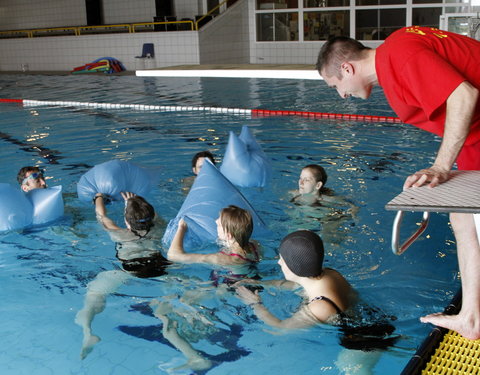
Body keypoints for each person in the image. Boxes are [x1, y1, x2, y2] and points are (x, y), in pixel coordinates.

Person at [316, 26, 480, 339]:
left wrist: (441, 165)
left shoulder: (399, 54)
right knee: (462, 214)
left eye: (335, 84)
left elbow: (463, 94)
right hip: (475, 137)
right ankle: (471, 317)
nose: (341, 95)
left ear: (347, 68)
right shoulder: (396, 54)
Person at [236, 230, 396, 373]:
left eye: (282, 260)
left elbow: (280, 328)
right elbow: (294, 286)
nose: (278, 262)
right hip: (377, 320)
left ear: (294, 268)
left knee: (347, 366)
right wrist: (259, 284)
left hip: (366, 340)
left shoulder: (321, 306)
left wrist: (255, 304)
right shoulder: (329, 274)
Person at [75, 191, 170, 359]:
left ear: (127, 222)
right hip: (162, 268)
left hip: (130, 271)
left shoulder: (119, 233)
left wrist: (98, 197)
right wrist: (136, 202)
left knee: (93, 294)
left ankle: (87, 332)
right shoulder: (160, 227)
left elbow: (101, 215)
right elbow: (153, 216)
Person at [167, 205, 260, 267]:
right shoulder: (254, 246)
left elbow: (173, 256)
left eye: (219, 225)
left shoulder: (222, 258)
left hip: (228, 288)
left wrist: (181, 229)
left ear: (228, 235)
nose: (215, 221)